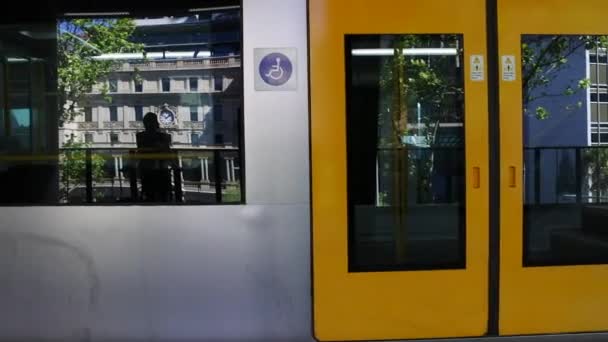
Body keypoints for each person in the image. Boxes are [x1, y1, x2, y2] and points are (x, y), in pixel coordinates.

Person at [135, 112, 173, 202]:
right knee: (162, 195)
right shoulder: (164, 137)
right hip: (159, 170)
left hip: (148, 170)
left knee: (150, 195)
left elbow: (141, 152)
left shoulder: (140, 136)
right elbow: (168, 154)